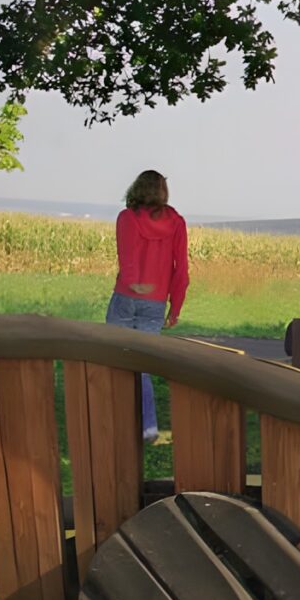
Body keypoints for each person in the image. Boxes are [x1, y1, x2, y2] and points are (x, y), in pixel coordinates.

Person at [109, 170, 190, 445]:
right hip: (155, 303)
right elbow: (181, 270)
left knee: (114, 359)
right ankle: (148, 427)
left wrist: (134, 283)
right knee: (142, 365)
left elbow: (127, 256)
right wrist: (175, 308)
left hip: (125, 298)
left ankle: (118, 423)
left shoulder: (127, 218)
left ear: (137, 188)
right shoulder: (176, 223)